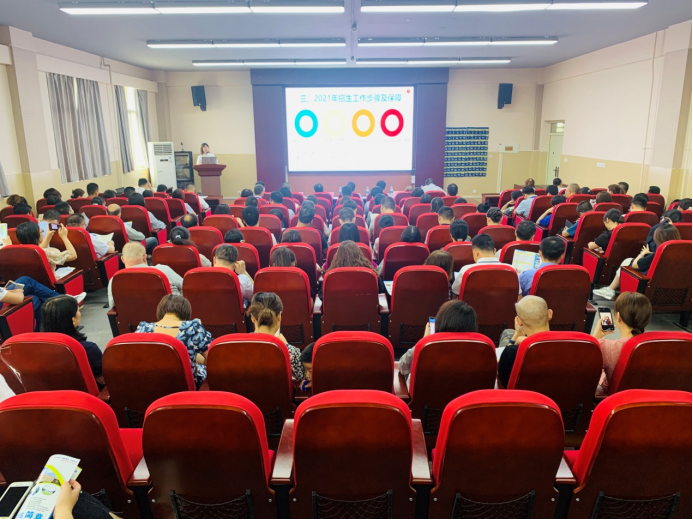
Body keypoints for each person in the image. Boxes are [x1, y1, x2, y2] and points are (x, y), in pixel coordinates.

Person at [137, 295, 211, 389]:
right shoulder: (192, 328)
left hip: (150, 386)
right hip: (183, 389)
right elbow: (212, 358)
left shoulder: (142, 329)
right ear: (186, 312)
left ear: (160, 310)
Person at [399, 300, 478, 386]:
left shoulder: (428, 346)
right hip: (467, 394)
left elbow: (402, 366)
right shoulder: (482, 348)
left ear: (440, 322)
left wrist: (424, 340)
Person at [594, 224, 681, 300]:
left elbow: (635, 265)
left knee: (627, 262)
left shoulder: (658, 254)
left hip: (647, 286)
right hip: (673, 291)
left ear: (658, 238)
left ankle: (610, 289)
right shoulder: (681, 252)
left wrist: (642, 254)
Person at [593, 292, 652, 394]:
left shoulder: (607, 347)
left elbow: (584, 360)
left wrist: (596, 336)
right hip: (647, 396)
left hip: (616, 398)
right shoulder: (656, 345)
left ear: (618, 316)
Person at [42, 295, 103, 384]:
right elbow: (102, 375)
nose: (80, 313)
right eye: (78, 310)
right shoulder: (87, 349)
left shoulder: (36, 349)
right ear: (72, 319)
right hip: (85, 392)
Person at [246, 292, 305, 382]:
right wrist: (286, 345)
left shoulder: (237, 346)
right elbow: (303, 377)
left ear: (252, 318)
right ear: (279, 316)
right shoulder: (290, 351)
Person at [497, 296, 552, 388]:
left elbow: (500, 371)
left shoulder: (512, 352)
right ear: (550, 314)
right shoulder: (572, 346)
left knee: (507, 333)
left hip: (524, 397)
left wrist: (515, 338)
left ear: (519, 321)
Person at [108, 242, 183, 308]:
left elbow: (113, 305)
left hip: (133, 319)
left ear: (122, 259)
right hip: (169, 315)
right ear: (145, 257)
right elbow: (185, 286)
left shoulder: (115, 279)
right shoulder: (163, 270)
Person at [0, 276, 85, 331]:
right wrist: (18, 291)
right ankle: (65, 302)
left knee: (35, 297)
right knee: (27, 283)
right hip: (3, 315)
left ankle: (42, 334)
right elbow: (18, 299)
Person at [451, 234, 520, 298]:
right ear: (494, 251)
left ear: (476, 253)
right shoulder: (512, 269)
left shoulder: (466, 270)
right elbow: (519, 296)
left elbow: (454, 295)